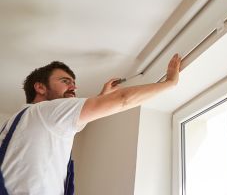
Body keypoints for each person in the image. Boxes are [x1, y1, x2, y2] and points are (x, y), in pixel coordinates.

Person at [0, 53, 181, 195]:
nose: (74, 87)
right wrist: (170, 83)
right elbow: (123, 99)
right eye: (65, 81)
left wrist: (102, 98)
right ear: (40, 87)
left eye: (74, 83)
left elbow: (78, 122)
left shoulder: (21, 121)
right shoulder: (44, 112)